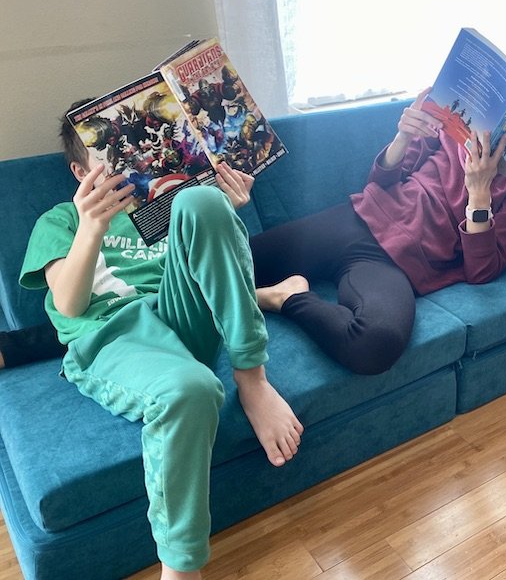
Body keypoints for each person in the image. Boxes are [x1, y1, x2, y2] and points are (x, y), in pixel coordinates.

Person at [17, 103, 304, 580]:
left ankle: (252, 379)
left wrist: (222, 215)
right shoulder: (60, 221)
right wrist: (92, 227)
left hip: (178, 317)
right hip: (111, 338)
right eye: (105, 156)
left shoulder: (162, 203)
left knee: (203, 201)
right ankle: (181, 570)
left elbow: (205, 271)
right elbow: (68, 305)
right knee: (190, 390)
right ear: (79, 170)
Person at [253, 59, 506, 375]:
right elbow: (379, 183)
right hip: (357, 220)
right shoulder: (456, 126)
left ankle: (289, 296)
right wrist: (403, 135)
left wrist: (479, 191)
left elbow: (483, 270)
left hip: (400, 266)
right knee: (223, 260)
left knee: (375, 345)